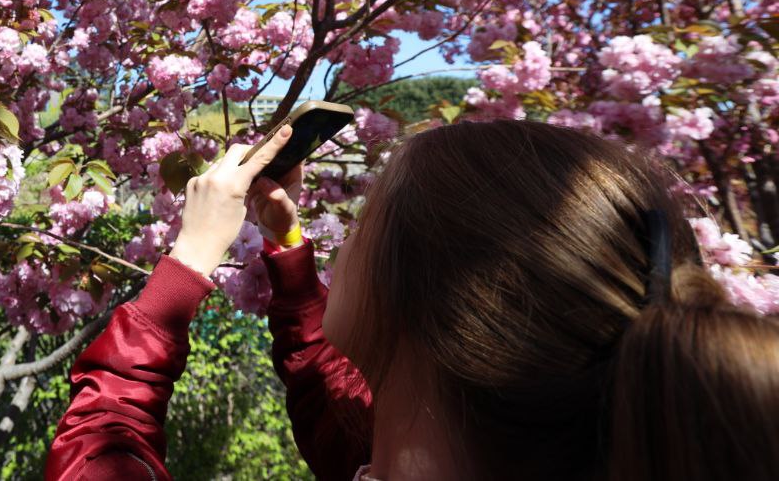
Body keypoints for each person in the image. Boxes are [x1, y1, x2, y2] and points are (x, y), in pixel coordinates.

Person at [45, 119, 779, 480]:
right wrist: (288, 247)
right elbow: (333, 399)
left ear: (421, 305)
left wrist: (189, 259)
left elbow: (99, 451)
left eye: (368, 217)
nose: (351, 231)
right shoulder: (437, 440)